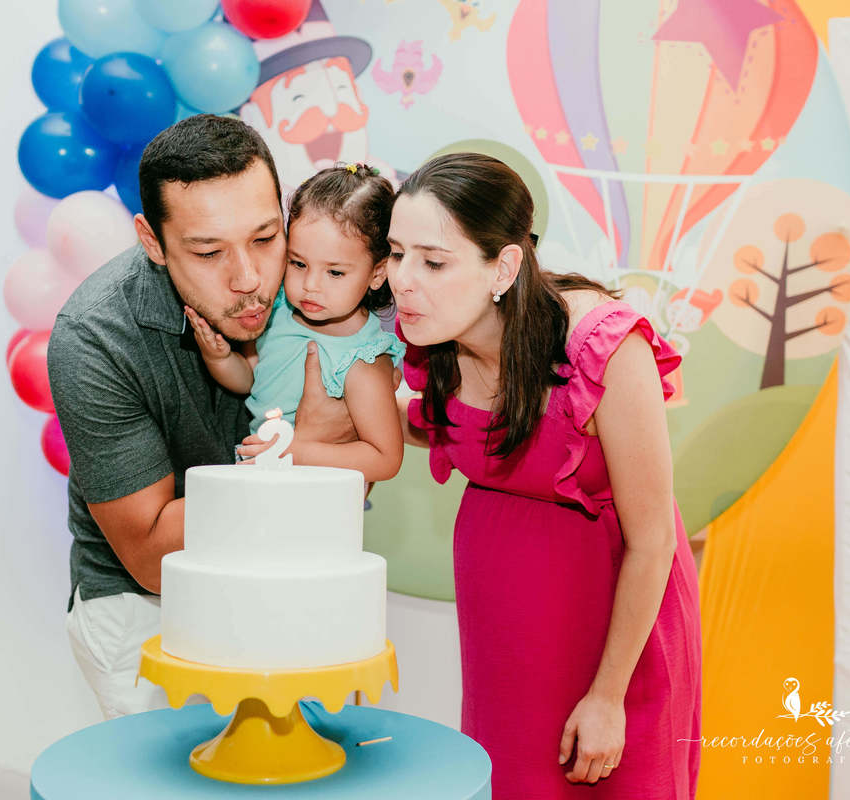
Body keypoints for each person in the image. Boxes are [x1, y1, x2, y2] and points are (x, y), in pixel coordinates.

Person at [387, 152, 701, 799]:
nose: (402, 280)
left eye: (433, 260)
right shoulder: (436, 349)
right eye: (395, 254)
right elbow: (439, 426)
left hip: (615, 631)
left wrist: (609, 697)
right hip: (507, 636)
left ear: (503, 267)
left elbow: (654, 540)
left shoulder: (603, 345)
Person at [46, 115, 362, 720]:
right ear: (152, 241)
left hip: (286, 579)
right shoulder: (94, 338)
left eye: (266, 238)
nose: (249, 279)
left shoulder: (315, 282)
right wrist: (304, 458)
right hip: (144, 608)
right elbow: (152, 554)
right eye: (209, 252)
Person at [187, 164, 405, 483]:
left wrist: (299, 453)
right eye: (299, 263)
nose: (310, 285)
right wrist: (219, 359)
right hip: (259, 483)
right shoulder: (278, 312)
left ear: (377, 273)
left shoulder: (364, 357)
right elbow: (251, 381)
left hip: (314, 500)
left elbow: (385, 459)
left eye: (335, 272)